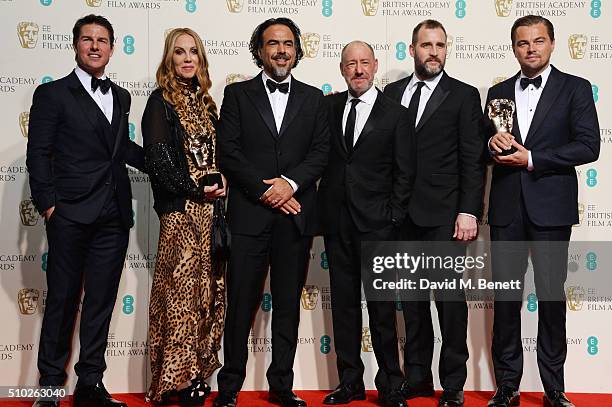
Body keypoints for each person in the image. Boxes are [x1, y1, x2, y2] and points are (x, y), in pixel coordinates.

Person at [26, 14, 144, 407]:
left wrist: (177, 169)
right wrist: (48, 206)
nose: (95, 46)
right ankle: (49, 386)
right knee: (61, 299)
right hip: (70, 214)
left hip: (113, 216)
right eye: (88, 39)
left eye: (102, 40)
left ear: (112, 48)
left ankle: (90, 384)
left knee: (100, 303)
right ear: (75, 45)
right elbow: (38, 154)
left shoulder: (122, 96)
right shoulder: (52, 95)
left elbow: (121, 151)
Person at [484, 15, 599, 407]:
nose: (530, 48)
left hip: (550, 208)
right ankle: (507, 386)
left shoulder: (576, 88)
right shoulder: (497, 92)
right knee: (506, 301)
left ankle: (554, 387)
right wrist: (492, 147)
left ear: (552, 44)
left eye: (537, 41)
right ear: (513, 47)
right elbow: (487, 147)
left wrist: (532, 158)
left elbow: (588, 146)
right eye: (522, 43)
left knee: (551, 297)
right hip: (506, 209)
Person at [214, 17, 329, 407]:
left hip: (294, 220)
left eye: (287, 44)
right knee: (240, 306)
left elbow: (320, 153)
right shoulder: (237, 94)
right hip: (248, 218)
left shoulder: (315, 99)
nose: (281, 50)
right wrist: (267, 191)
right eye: (272, 44)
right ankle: (228, 388)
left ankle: (281, 385)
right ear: (259, 51)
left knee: (287, 308)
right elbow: (228, 151)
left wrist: (290, 184)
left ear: (297, 50)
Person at [384, 19, 484, 407]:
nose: (433, 52)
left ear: (447, 49)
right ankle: (418, 378)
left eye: (440, 45)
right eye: (426, 45)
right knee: (411, 303)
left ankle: (454, 383)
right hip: (401, 217)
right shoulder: (391, 93)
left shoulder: (462, 95)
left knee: (449, 302)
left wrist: (467, 210)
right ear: (412, 50)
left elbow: (471, 160)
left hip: (445, 216)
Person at [318, 41, 414, 407]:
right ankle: (350, 383)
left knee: (382, 307)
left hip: (379, 226)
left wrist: (392, 216)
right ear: (342, 69)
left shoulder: (396, 114)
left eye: (364, 63)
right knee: (343, 306)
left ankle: (391, 384)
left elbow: (406, 172)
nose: (358, 70)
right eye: (350, 64)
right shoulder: (327, 108)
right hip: (337, 223)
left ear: (375, 67)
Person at [141, 28, 226, 406]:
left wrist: (221, 179)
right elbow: (158, 162)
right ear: (169, 59)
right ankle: (176, 379)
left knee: (208, 294)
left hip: (212, 215)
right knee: (180, 296)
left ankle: (198, 373)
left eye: (194, 51)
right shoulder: (159, 103)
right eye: (180, 52)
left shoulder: (207, 104)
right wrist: (196, 190)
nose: (188, 58)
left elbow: (218, 156)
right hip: (181, 213)